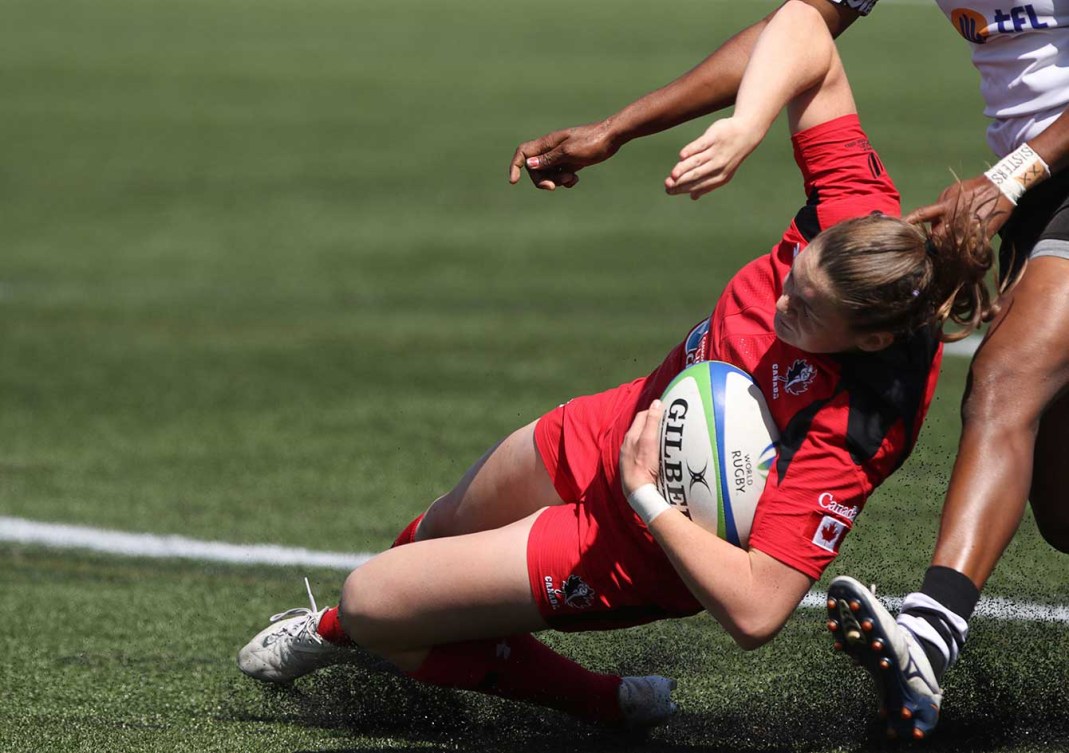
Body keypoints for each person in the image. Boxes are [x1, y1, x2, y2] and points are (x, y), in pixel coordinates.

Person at [237, 2, 995, 729]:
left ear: (865, 342)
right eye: (791, 279)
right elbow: (805, 27)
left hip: (643, 542)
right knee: (424, 546)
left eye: (801, 314)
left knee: (373, 599)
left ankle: (587, 698)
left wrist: (646, 497)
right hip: (613, 423)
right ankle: (405, 638)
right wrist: (744, 124)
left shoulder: (857, 423)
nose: (778, 307)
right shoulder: (855, 218)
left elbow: (759, 610)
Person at [508, 0, 1069, 739]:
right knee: (1059, 509)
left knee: (1002, 376)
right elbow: (795, 27)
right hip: (1035, 186)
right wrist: (621, 128)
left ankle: (928, 638)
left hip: (1031, 175)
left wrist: (1009, 175)